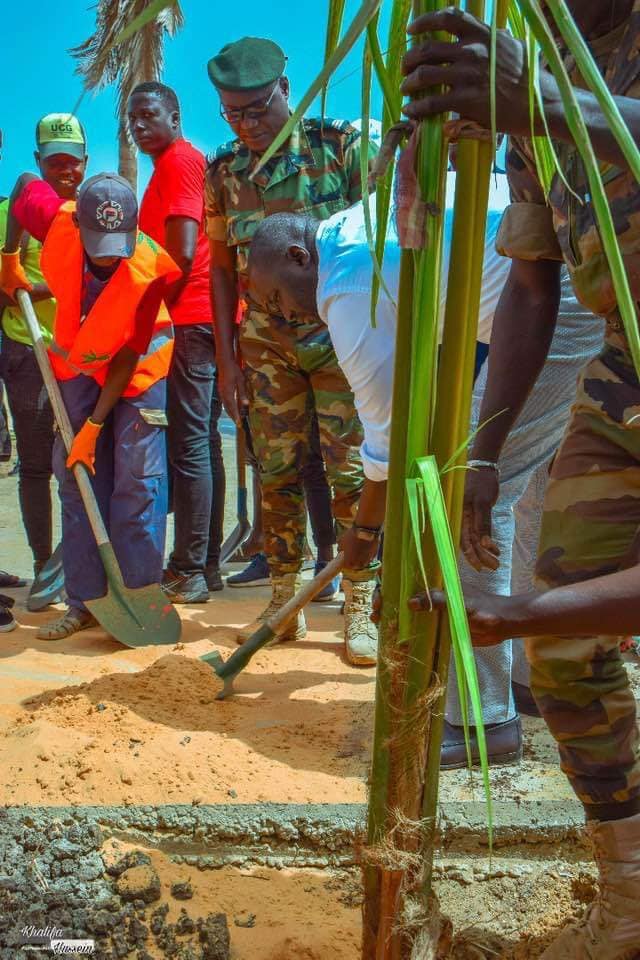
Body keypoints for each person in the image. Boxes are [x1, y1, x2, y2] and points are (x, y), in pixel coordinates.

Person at [401, 3, 640, 955]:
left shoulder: (539, 82)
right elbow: (535, 282)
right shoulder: (522, 70)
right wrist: (485, 452)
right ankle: (629, 892)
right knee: (565, 649)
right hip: (623, 365)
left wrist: (552, 102)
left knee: (553, 621)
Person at [205, 36, 375, 664]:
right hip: (266, 342)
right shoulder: (223, 171)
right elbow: (222, 268)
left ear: (285, 89)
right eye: (232, 114)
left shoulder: (342, 148)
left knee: (351, 471)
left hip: (342, 336)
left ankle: (362, 597)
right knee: (274, 468)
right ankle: (284, 591)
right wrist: (227, 359)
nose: (246, 125)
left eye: (255, 109)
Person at [1, 172, 180, 640]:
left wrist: (95, 426)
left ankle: (137, 594)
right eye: (96, 245)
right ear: (76, 223)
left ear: (136, 228)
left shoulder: (150, 269)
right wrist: (9, 256)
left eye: (116, 246)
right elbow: (22, 188)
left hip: (137, 369)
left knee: (135, 484)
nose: (106, 260)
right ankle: (84, 603)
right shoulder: (57, 220)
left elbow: (128, 354)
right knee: (77, 480)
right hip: (80, 361)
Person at [127, 81, 224, 603]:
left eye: (148, 115)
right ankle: (205, 567)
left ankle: (188, 568)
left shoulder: (180, 162)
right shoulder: (178, 162)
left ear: (175, 114)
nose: (139, 126)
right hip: (201, 317)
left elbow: (182, 254)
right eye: (132, 120)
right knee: (203, 442)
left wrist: (144, 311)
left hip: (189, 318)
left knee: (188, 444)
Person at [0, 114, 88, 582]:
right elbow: (3, 286)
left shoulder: (96, 212)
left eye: (72, 162)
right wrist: (40, 286)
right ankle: (41, 562)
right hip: (27, 350)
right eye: (54, 162)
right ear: (38, 161)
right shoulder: (9, 212)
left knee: (81, 461)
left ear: (85, 162)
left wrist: (57, 285)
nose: (65, 171)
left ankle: (78, 559)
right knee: (35, 465)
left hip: (81, 356)